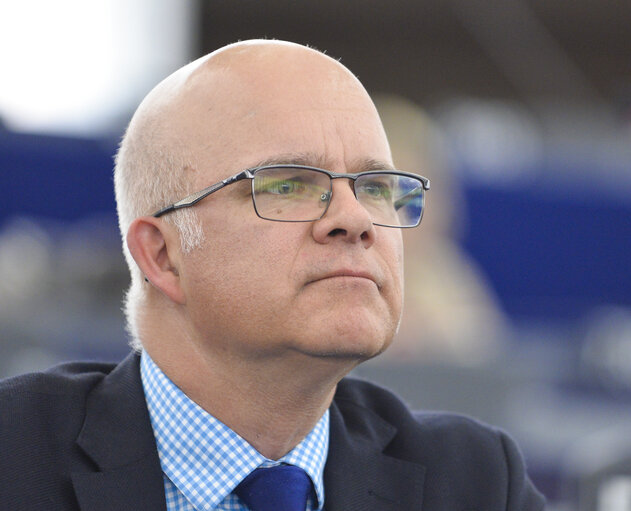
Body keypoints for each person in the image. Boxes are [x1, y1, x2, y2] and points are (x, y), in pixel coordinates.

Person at [0, 40, 544, 510]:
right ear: (162, 256)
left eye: (376, 186)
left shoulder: (476, 485)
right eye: (287, 186)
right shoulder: (14, 458)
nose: (355, 219)